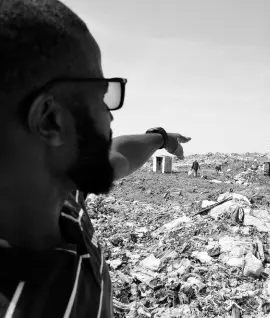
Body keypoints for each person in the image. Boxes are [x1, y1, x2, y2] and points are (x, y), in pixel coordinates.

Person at [0, 1, 191, 317]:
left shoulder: (63, 197)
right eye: (102, 98)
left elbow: (119, 153)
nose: (110, 117)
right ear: (51, 120)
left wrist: (161, 137)